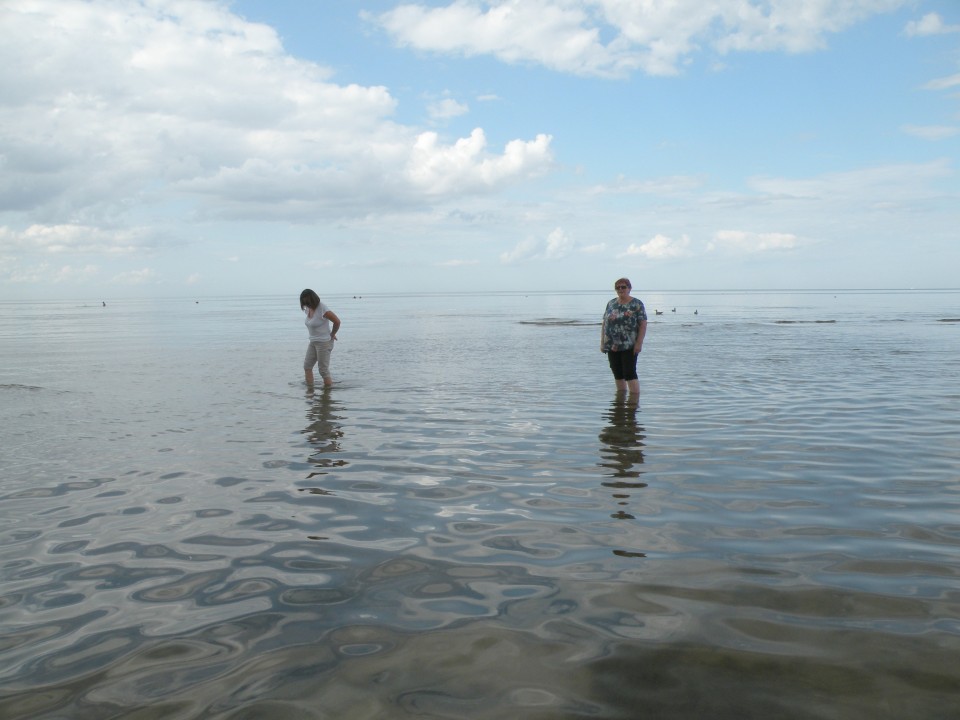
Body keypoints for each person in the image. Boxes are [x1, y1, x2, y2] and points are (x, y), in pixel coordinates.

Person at [600, 278, 647, 395]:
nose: (620, 289)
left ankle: (633, 402)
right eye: (618, 287)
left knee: (629, 373)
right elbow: (604, 323)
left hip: (629, 344)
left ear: (629, 288)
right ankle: (620, 400)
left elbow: (643, 324)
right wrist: (602, 342)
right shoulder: (611, 303)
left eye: (623, 287)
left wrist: (639, 343)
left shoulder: (636, 304)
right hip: (612, 344)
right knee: (617, 372)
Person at [300, 289, 341, 387]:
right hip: (313, 342)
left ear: (313, 299)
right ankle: (310, 392)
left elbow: (337, 321)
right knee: (307, 366)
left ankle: (327, 396)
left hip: (324, 343)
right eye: (304, 302)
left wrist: (332, 333)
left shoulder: (322, 308)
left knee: (323, 370)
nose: (306, 304)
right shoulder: (308, 309)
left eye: (308, 302)